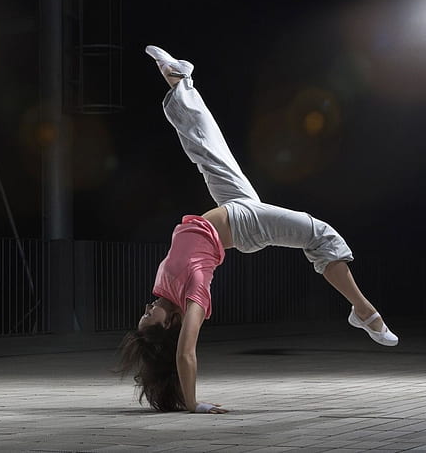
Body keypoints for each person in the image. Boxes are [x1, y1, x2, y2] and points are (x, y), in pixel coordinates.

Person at [115, 45, 398, 414]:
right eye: (148, 315)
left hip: (233, 211)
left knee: (206, 150)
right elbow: (185, 354)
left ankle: (180, 81)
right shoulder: (193, 295)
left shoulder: (162, 289)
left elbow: (168, 329)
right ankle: (363, 311)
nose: (148, 306)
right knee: (321, 235)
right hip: (246, 227)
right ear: (167, 324)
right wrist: (192, 404)